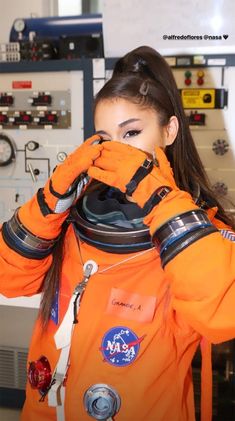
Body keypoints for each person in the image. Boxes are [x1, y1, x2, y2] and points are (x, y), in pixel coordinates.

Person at [0, 45, 235, 421]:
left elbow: (224, 312)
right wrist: (51, 201)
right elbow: (9, 279)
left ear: (169, 130)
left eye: (132, 133)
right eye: (106, 138)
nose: (116, 151)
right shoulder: (69, 217)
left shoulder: (198, 230)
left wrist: (155, 193)